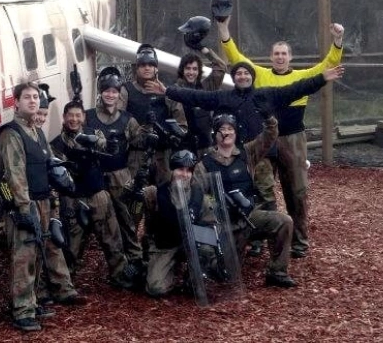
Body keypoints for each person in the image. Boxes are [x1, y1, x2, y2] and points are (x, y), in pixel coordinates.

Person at [216, 16, 345, 258]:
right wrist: (223, 27)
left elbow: (328, 65)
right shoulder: (261, 75)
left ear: (290, 57)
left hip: (293, 139)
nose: (280, 57)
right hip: (265, 139)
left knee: (296, 191)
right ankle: (260, 239)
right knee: (260, 189)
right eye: (276, 53)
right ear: (271, 56)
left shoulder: (303, 77)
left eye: (284, 53)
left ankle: (299, 242)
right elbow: (235, 57)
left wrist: (337, 40)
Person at [0, 82, 86, 332]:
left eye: (36, 97)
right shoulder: (11, 133)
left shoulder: (36, 132)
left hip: (43, 201)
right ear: (16, 102)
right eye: (27, 97)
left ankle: (32, 303)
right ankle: (22, 310)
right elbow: (15, 174)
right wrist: (24, 209)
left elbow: (50, 167)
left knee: (37, 256)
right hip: (25, 205)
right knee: (23, 258)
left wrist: (54, 203)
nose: (33, 101)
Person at [194, 113, 297, 288]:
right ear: (215, 134)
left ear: (235, 133)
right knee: (228, 277)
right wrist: (216, 204)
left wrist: (269, 118)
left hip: (250, 217)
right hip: (225, 225)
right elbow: (197, 196)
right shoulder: (204, 164)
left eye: (230, 129)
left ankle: (277, 272)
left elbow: (269, 136)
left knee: (284, 222)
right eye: (221, 129)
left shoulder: (247, 153)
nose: (226, 133)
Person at [50, 101, 138, 289]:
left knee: (111, 237)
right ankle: (66, 281)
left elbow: (105, 146)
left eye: (78, 115)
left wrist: (112, 145)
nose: (74, 119)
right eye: (70, 115)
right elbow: (57, 173)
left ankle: (119, 274)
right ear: (64, 118)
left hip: (98, 193)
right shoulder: (57, 144)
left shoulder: (93, 135)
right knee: (72, 242)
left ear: (83, 117)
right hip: (73, 198)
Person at [84, 71, 150, 284]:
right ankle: (116, 267)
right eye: (106, 91)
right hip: (96, 176)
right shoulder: (89, 116)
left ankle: (135, 262)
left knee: (128, 221)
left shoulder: (126, 119)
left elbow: (139, 142)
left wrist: (150, 127)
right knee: (104, 224)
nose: (110, 95)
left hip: (121, 175)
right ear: (101, 93)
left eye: (114, 91)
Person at [139, 149, 210, 297]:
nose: (184, 174)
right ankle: (167, 269)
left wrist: (203, 243)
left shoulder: (199, 195)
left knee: (207, 250)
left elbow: (210, 226)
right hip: (165, 244)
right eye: (180, 169)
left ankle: (192, 277)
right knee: (155, 289)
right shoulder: (155, 193)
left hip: (190, 245)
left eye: (188, 170)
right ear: (172, 170)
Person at [121, 44, 188, 185]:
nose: (147, 68)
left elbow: (181, 124)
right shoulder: (126, 90)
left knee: (164, 195)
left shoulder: (167, 91)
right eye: (143, 65)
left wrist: (174, 135)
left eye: (151, 65)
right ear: (136, 68)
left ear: (156, 68)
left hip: (162, 155)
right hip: (137, 155)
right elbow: (120, 121)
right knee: (137, 197)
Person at [174, 50, 227, 155]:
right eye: (188, 69)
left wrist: (204, 50)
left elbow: (221, 66)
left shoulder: (206, 87)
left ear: (199, 71)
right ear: (182, 70)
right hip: (184, 149)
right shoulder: (174, 91)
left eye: (195, 69)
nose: (191, 72)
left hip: (206, 147)